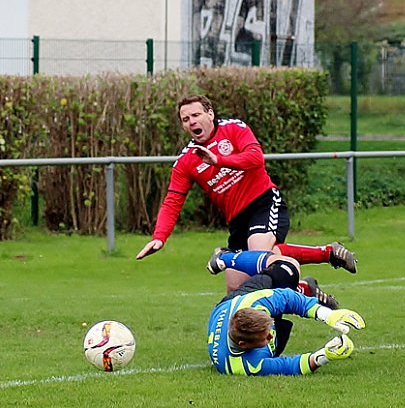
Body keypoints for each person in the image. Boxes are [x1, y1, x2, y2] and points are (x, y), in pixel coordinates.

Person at [136, 94, 357, 294]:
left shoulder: (233, 128)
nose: (192, 121)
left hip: (263, 202)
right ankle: (311, 277)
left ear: (210, 114)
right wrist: (159, 237)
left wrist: (219, 160)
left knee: (259, 254)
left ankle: (323, 258)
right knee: (237, 289)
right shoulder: (186, 160)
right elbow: (172, 201)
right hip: (237, 221)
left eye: (196, 114)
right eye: (186, 119)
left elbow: (255, 158)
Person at [206, 251, 366, 376]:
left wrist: (328, 315)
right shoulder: (246, 365)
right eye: (266, 336)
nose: (270, 335)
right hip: (236, 334)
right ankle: (304, 288)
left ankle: (224, 258)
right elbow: (290, 366)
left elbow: (288, 298)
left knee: (288, 267)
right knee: (277, 341)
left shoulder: (254, 303)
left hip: (230, 303)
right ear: (244, 345)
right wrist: (324, 355)